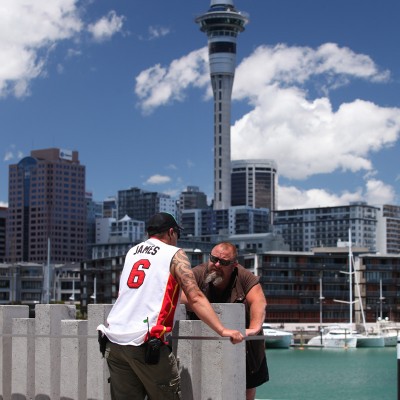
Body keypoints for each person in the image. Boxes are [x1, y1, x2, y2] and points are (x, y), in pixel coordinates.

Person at [97, 213, 244, 400]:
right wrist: (223, 330)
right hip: (146, 343)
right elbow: (196, 296)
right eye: (177, 235)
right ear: (171, 232)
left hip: (114, 341)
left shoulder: (132, 252)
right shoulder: (175, 254)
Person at [182, 242, 269, 400]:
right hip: (206, 342)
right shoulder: (198, 274)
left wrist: (254, 329)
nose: (216, 264)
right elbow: (181, 297)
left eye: (223, 262)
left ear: (234, 264)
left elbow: (259, 301)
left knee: (247, 391)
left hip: (244, 344)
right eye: (213, 259)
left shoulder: (243, 276)